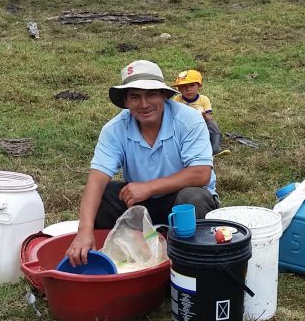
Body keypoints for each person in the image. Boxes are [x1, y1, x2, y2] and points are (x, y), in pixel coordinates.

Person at [65, 60, 218, 266]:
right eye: (135, 97)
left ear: (164, 96)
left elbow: (201, 174)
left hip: (180, 199)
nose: (144, 104)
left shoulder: (189, 120)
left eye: (151, 94)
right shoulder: (115, 129)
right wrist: (84, 231)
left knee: (194, 197)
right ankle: (125, 255)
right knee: (105, 194)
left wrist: (149, 187)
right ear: (126, 102)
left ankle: (187, 266)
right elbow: (96, 179)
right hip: (140, 204)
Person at [171, 69, 224, 156]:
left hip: (201, 124)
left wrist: (204, 116)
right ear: (179, 89)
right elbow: (173, 115)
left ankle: (215, 146)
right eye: (184, 86)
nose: (188, 89)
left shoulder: (203, 99)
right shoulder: (177, 99)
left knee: (212, 124)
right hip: (183, 125)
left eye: (192, 85)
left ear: (199, 86)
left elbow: (209, 117)